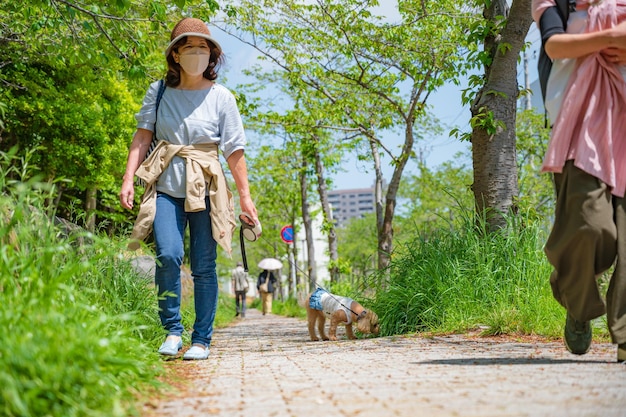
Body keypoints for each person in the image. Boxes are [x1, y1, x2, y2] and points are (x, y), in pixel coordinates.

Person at [119, 17, 259, 360]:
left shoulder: (222, 97)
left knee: (203, 266)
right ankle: (172, 331)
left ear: (211, 55)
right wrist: (128, 178)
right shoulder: (159, 91)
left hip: (208, 189)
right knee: (167, 255)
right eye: (189, 47)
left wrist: (245, 197)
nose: (197, 53)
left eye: (203, 47)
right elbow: (142, 137)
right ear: (176, 55)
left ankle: (202, 339)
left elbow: (234, 150)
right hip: (166, 186)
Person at [532, 0, 626, 362]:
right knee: (589, 226)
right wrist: (610, 37)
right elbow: (555, 45)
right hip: (582, 125)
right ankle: (576, 297)